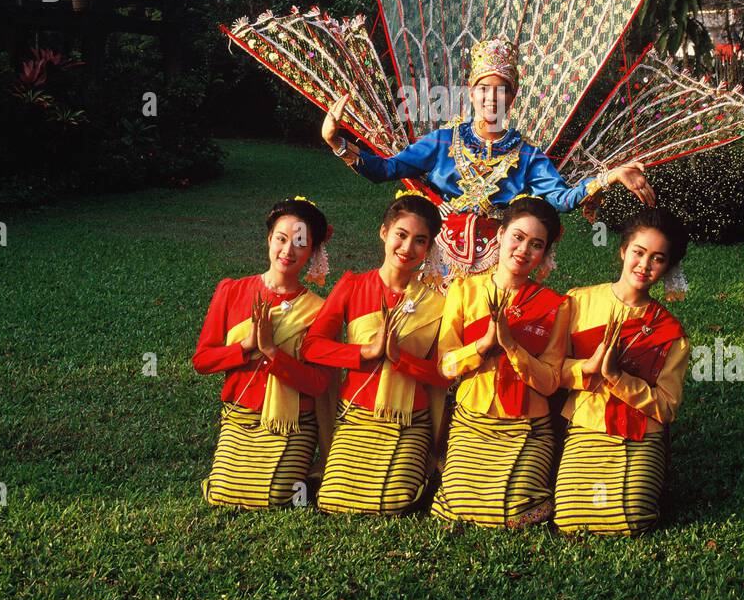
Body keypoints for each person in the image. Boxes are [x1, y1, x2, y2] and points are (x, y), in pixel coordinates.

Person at [320, 36, 655, 280]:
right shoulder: (441, 142)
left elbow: (562, 198)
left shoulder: (526, 156)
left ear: (512, 97)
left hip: (498, 263)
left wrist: (609, 176)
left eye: (501, 90)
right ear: (471, 92)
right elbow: (386, 169)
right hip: (439, 258)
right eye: (484, 89)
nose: (491, 98)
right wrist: (336, 142)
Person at [302, 192, 447, 515]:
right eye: (401, 235)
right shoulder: (353, 285)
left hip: (409, 418)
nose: (408, 248)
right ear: (384, 233)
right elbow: (313, 347)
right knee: (334, 501)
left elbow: (443, 373)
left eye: (420, 241)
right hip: (357, 413)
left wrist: (401, 359)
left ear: (429, 248)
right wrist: (365, 351)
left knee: (395, 504)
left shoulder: (438, 304)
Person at [433, 196, 569, 527]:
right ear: (500, 235)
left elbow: (551, 381)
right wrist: (481, 347)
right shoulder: (464, 290)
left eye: (536, 245)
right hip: (472, 419)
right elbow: (445, 366)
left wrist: (512, 347)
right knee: (457, 508)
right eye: (518, 237)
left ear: (544, 254)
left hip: (527, 425)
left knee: (515, 514)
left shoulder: (556, 305)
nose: (523, 250)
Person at [553, 207, 691, 536]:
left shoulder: (670, 332)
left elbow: (667, 407)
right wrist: (586, 368)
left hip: (640, 435)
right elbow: (552, 371)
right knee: (570, 520)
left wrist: (618, 378)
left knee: (632, 518)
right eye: (638, 253)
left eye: (657, 259)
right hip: (586, 426)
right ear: (622, 251)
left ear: (667, 266)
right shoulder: (578, 303)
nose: (644, 266)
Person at [194, 197, 333, 509]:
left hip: (293, 421)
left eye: (299, 243)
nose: (287, 251)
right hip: (240, 415)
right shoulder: (232, 291)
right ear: (269, 239)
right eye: (281, 239)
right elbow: (203, 360)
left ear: (312, 251)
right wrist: (246, 347)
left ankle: (311, 476)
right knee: (222, 495)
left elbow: (318, 383)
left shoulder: (320, 311)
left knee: (276, 498)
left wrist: (272, 352)